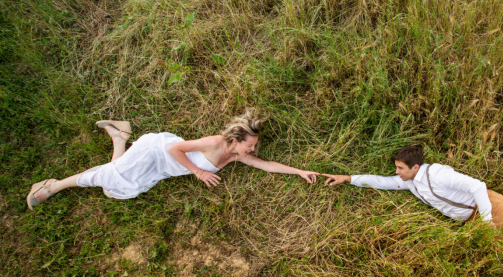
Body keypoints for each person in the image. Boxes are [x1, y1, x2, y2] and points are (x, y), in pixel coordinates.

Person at [322, 145, 503, 270]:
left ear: (414, 167)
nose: (396, 172)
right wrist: (348, 178)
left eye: (399, 168)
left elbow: (478, 186)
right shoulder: (410, 182)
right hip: (475, 220)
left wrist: (485, 220)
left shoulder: (438, 174)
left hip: (492, 208)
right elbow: (381, 182)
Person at [27, 108, 319, 209]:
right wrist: (198, 172)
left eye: (253, 148)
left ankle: (119, 137)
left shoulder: (234, 158)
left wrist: (300, 171)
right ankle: (53, 186)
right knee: (110, 177)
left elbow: (267, 166)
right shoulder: (216, 142)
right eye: (250, 146)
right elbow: (173, 150)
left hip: (162, 169)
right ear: (235, 140)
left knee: (116, 189)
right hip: (157, 151)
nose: (252, 152)